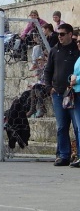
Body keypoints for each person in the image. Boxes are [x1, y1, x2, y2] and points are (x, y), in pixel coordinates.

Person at [43, 23, 80, 167]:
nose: (60, 36)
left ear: (70, 34)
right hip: (58, 94)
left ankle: (77, 156)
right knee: (61, 126)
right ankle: (63, 155)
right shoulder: (54, 51)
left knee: (77, 126)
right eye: (58, 34)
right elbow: (48, 71)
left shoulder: (77, 51)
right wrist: (48, 87)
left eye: (62, 34)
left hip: (74, 94)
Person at [69, 36, 80, 167]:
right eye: (77, 41)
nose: (78, 43)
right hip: (76, 93)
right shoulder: (78, 58)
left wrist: (76, 79)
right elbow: (73, 73)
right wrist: (70, 78)